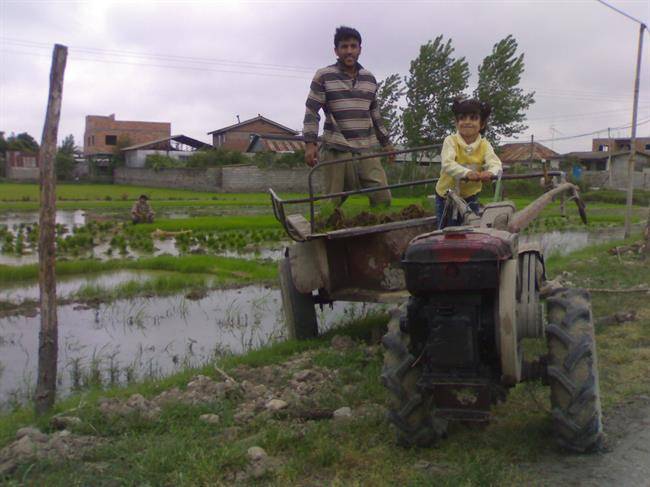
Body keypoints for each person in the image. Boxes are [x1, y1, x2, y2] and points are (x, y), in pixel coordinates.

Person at [303, 26, 395, 207]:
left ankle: (376, 234)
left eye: (353, 46)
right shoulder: (324, 76)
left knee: (383, 198)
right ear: (336, 51)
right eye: (344, 47)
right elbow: (312, 111)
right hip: (336, 148)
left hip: (365, 149)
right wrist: (310, 144)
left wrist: (386, 143)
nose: (349, 51)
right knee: (331, 205)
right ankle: (325, 234)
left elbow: (375, 114)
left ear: (360, 49)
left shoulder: (369, 79)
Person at [434, 98, 502, 228]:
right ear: (456, 122)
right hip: (446, 196)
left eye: (473, 118)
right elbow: (448, 164)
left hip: (471, 196)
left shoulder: (484, 145)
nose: (467, 122)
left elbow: (495, 163)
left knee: (471, 228)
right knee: (445, 230)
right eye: (462, 118)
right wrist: (467, 173)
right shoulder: (451, 141)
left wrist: (490, 172)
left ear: (482, 124)